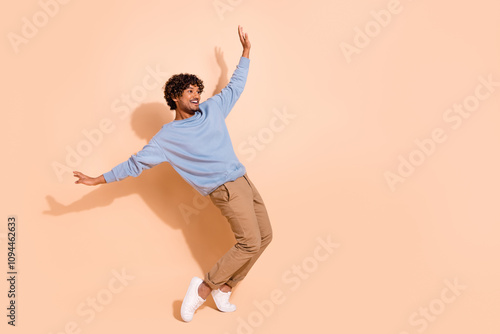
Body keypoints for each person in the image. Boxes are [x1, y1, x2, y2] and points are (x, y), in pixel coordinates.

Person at [73, 25, 273, 322]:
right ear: (175, 98)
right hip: (225, 190)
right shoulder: (168, 137)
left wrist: (245, 53)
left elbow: (235, 87)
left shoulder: (213, 109)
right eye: (189, 91)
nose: (196, 95)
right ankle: (204, 288)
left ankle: (225, 287)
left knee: (266, 236)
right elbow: (134, 163)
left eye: (197, 90)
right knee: (249, 243)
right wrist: (97, 178)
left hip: (244, 180)